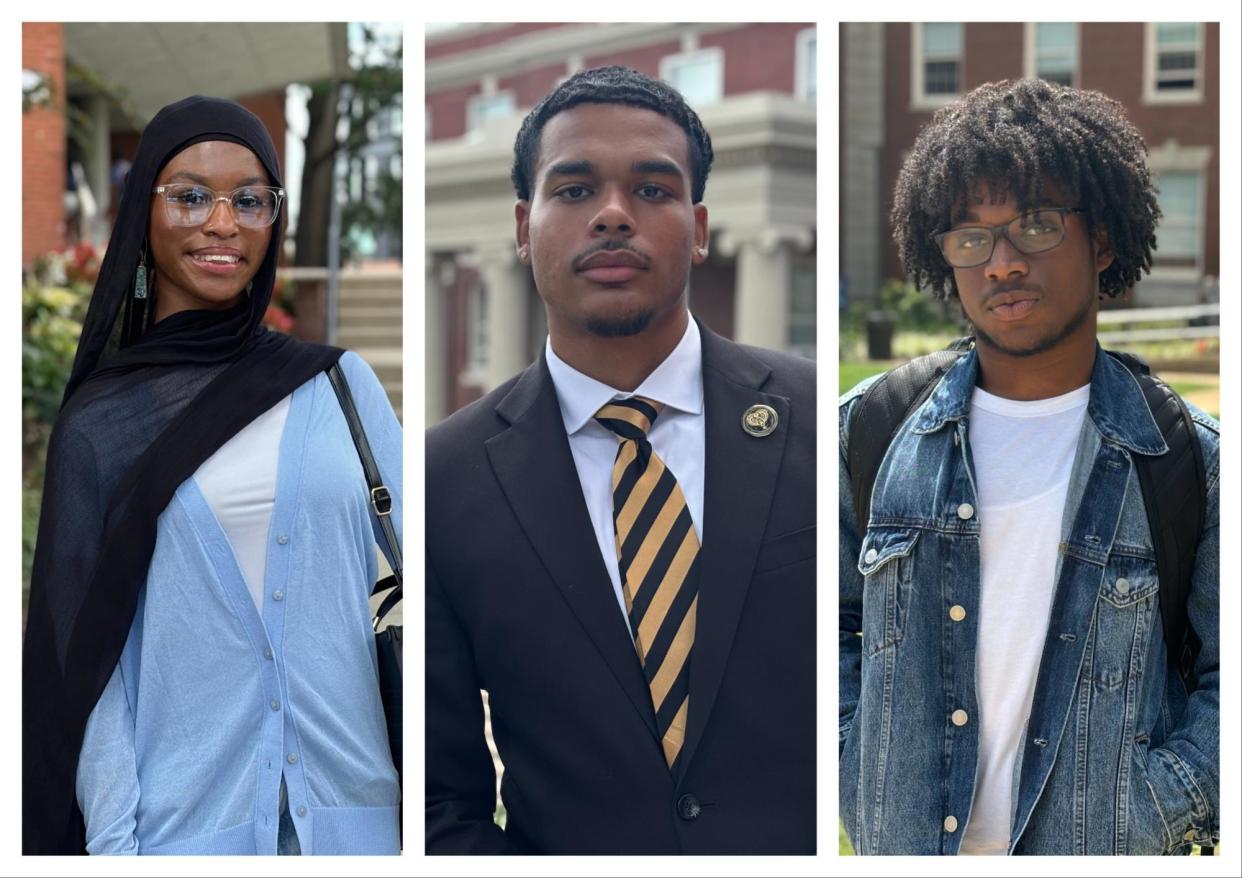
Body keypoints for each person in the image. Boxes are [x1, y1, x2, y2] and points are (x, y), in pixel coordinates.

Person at [425, 66, 815, 854]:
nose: (611, 214)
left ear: (700, 227)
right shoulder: (444, 478)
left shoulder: (821, 425)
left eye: (651, 190)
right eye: (572, 191)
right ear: (521, 225)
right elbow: (438, 796)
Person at [839, 79, 1219, 855]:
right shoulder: (870, 430)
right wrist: (852, 760)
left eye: (1036, 225)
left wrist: (1158, 800)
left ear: (1103, 240)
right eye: (971, 238)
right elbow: (826, 632)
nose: (1002, 263)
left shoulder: (1190, 461)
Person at [22, 96, 403, 855]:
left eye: (250, 200)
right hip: (182, 838)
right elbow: (88, 673)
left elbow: (421, 592)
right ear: (142, 218)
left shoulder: (339, 386)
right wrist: (115, 848)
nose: (222, 223)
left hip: (364, 832)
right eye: (190, 196)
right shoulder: (103, 427)